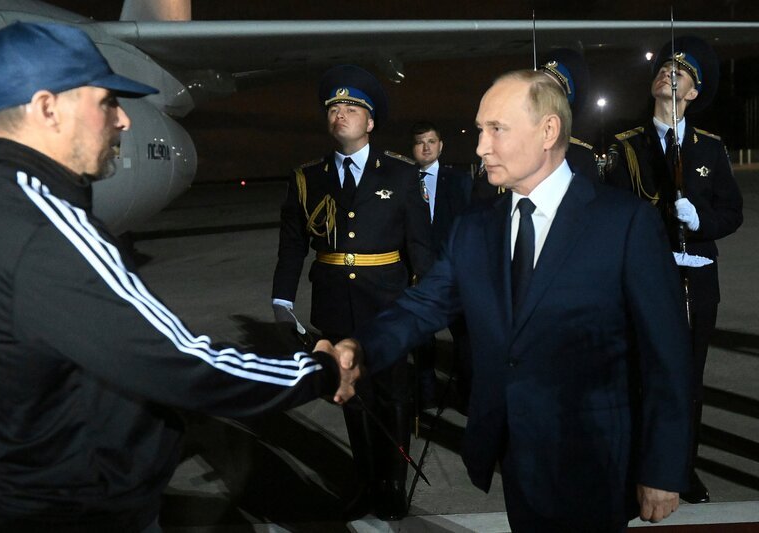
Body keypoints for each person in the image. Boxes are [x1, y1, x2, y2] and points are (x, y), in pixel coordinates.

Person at [0, 22, 356, 532]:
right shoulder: (49, 232)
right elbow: (183, 363)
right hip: (78, 515)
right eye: (106, 101)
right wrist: (316, 371)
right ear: (47, 108)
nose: (123, 120)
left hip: (10, 497)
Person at [331, 69, 693, 531]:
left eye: (496, 129)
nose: (481, 147)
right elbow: (421, 307)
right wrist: (360, 350)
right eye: (481, 130)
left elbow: (668, 356)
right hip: (515, 458)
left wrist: (662, 467)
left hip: (595, 463)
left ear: (548, 131)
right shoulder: (476, 229)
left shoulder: (624, 224)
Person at [271, 65, 432, 520]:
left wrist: (427, 307)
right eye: (334, 107)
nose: (340, 113)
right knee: (352, 396)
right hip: (335, 304)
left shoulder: (401, 175)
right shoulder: (307, 178)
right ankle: (364, 482)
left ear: (371, 121)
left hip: (389, 302)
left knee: (395, 394)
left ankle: (393, 485)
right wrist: (281, 301)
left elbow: (421, 249)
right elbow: (292, 246)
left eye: (352, 107)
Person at [605, 35, 743, 504]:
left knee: (688, 378)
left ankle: (683, 468)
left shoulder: (711, 149)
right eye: (664, 68)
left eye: (680, 73)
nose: (669, 73)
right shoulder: (628, 146)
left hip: (697, 275)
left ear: (693, 92)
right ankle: (643, 469)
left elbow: (733, 211)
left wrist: (700, 222)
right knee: (642, 374)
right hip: (648, 277)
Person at [472, 48, 599, 204]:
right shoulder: (500, 147)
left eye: (550, 93)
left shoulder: (580, 158)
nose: (482, 149)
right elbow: (483, 202)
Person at [410, 121, 472, 412]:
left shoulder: (459, 180)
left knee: (464, 338)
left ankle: (467, 395)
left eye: (431, 141)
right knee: (422, 339)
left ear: (441, 146)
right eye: (420, 142)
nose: (426, 147)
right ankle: (426, 395)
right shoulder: (403, 181)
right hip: (417, 274)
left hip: (454, 273)